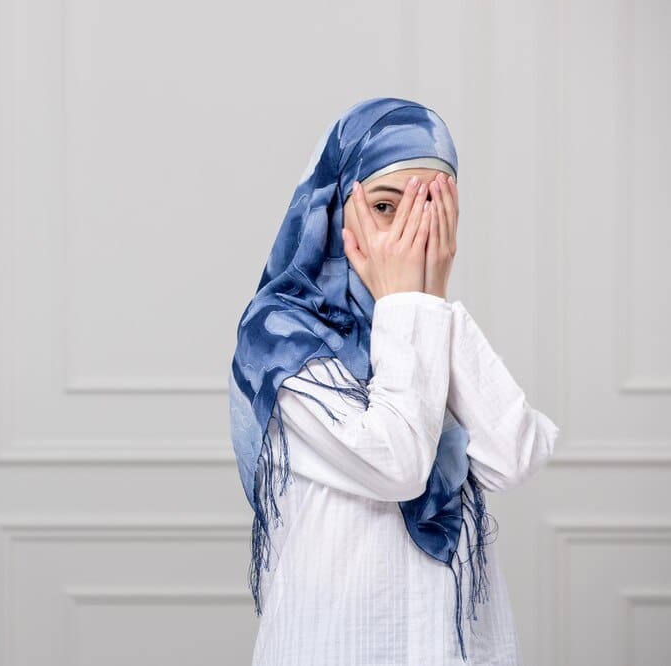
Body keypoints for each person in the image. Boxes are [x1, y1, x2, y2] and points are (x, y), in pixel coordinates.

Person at [228, 97, 559, 664]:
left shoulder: (422, 322)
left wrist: (429, 301)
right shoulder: (278, 335)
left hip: (449, 641)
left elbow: (513, 457)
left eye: (432, 211)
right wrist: (412, 303)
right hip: (338, 640)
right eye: (385, 206)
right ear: (337, 205)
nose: (411, 235)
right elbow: (397, 464)